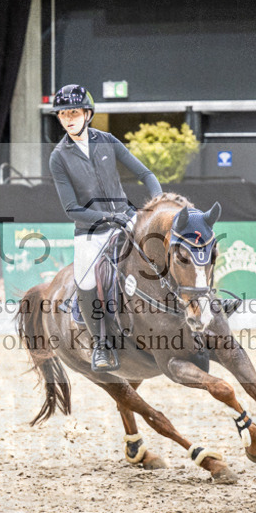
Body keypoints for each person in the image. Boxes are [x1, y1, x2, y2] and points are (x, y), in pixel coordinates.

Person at [49, 84, 163, 372]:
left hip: (127, 217)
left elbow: (145, 174)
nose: (69, 118)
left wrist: (156, 203)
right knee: (86, 279)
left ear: (87, 113)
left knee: (166, 247)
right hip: (91, 231)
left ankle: (202, 307)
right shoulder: (59, 157)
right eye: (63, 114)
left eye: (73, 112)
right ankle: (102, 343)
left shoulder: (108, 141)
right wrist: (108, 219)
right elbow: (71, 208)